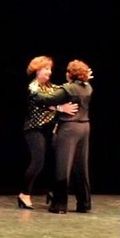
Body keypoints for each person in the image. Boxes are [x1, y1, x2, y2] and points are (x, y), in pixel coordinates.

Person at [18, 56, 78, 209]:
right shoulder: (33, 87)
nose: (49, 72)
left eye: (50, 69)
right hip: (34, 129)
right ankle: (24, 194)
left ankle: (53, 192)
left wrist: (80, 78)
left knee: (56, 162)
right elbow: (42, 101)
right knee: (38, 161)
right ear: (37, 70)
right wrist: (59, 108)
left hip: (50, 129)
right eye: (46, 69)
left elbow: (66, 91)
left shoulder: (53, 88)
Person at [47, 60, 94, 214]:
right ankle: (84, 203)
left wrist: (59, 107)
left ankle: (59, 205)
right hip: (84, 126)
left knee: (63, 165)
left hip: (69, 127)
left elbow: (46, 100)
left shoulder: (67, 89)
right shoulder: (88, 87)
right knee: (81, 167)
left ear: (69, 74)